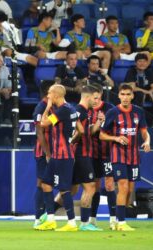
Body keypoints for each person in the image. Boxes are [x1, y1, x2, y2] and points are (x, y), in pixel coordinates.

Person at [100, 83, 151, 231]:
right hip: (118, 155)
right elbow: (102, 135)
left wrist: (147, 141)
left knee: (129, 189)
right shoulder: (113, 112)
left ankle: (118, 219)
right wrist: (116, 139)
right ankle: (121, 223)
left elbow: (144, 131)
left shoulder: (138, 112)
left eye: (128, 94)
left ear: (133, 95)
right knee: (122, 186)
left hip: (134, 155)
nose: (125, 97)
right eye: (122, 94)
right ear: (119, 95)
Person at [35, 84, 78, 232]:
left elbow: (43, 123)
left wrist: (47, 107)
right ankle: (51, 220)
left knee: (64, 189)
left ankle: (72, 223)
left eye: (50, 94)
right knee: (46, 184)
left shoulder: (63, 110)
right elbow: (79, 129)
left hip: (63, 156)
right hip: (57, 156)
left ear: (56, 95)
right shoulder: (71, 109)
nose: (48, 96)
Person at [82, 83, 116, 230]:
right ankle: (93, 219)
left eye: (97, 97)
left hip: (107, 153)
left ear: (101, 95)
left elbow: (116, 129)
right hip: (91, 153)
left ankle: (113, 220)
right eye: (93, 97)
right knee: (94, 186)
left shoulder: (110, 109)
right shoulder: (85, 109)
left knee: (109, 184)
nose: (95, 100)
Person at [71, 85, 103, 231]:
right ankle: (84, 223)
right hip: (81, 153)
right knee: (90, 187)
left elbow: (87, 132)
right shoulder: (80, 112)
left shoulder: (84, 111)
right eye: (95, 98)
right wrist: (78, 136)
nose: (96, 101)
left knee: (70, 190)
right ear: (87, 97)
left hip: (80, 153)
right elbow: (76, 133)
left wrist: (98, 123)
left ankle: (47, 215)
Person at [32, 81, 53, 229]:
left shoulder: (56, 107)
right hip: (44, 152)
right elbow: (39, 131)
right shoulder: (41, 107)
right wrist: (47, 152)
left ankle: (48, 214)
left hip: (56, 151)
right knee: (42, 183)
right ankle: (39, 218)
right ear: (49, 92)